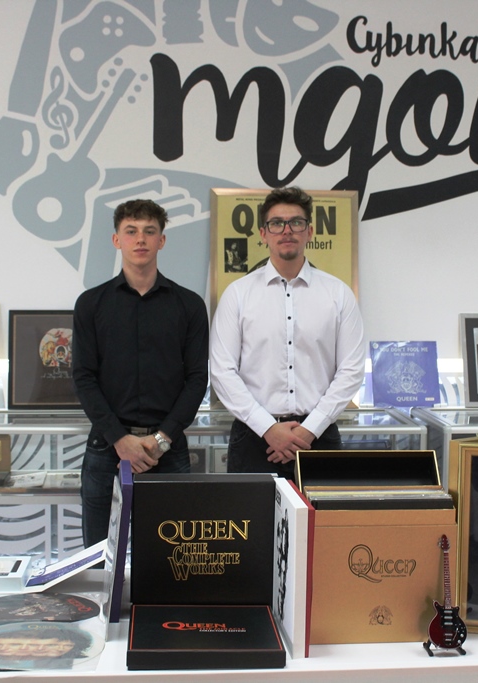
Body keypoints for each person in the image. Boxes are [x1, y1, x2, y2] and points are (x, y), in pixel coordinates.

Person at [73, 198, 209, 546]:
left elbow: (197, 379)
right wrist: (120, 440)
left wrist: (161, 439)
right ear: (116, 239)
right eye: (131, 231)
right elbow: (84, 377)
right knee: (98, 557)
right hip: (107, 447)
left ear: (161, 240)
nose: (140, 239)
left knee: (173, 560)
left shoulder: (189, 305)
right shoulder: (91, 304)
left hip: (168, 449)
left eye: (149, 231)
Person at [209, 186, 365, 479]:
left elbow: (351, 370)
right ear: (263, 233)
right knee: (253, 512)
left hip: (319, 436)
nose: (287, 230)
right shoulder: (238, 294)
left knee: (322, 513)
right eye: (277, 223)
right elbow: (222, 371)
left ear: (310, 232)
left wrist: (309, 430)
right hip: (254, 438)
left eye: (296, 222)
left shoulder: (338, 294)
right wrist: (268, 428)